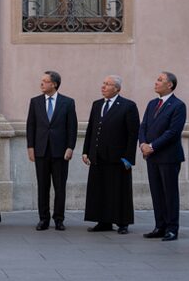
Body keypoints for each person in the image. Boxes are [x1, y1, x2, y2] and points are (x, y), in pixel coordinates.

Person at [82, 75, 139, 234]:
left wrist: (128, 158)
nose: (103, 86)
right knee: (99, 190)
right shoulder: (97, 104)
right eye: (103, 83)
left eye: (108, 84)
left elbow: (132, 134)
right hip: (98, 156)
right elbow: (91, 129)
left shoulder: (128, 106)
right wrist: (86, 151)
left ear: (117, 88)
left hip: (118, 158)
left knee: (119, 191)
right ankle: (103, 221)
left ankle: (123, 222)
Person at [25, 70, 76, 231]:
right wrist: (30, 147)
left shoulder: (68, 102)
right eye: (41, 80)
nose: (42, 84)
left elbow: (72, 127)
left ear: (54, 84)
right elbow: (30, 125)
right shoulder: (35, 102)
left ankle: (59, 219)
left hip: (60, 152)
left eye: (45, 81)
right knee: (43, 186)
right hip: (41, 150)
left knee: (60, 187)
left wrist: (70, 147)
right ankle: (43, 219)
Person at [139, 71, 186, 241]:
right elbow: (143, 126)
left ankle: (172, 228)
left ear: (170, 85)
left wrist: (152, 146)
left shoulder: (178, 105)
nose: (156, 82)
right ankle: (160, 226)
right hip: (151, 156)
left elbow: (173, 132)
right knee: (157, 192)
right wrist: (143, 144)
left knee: (169, 193)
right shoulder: (152, 104)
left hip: (168, 156)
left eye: (160, 80)